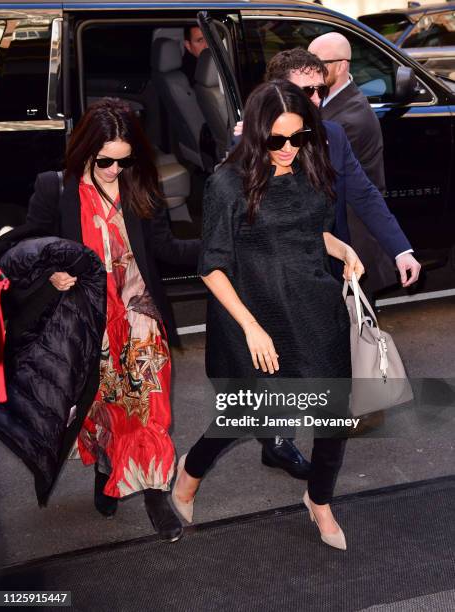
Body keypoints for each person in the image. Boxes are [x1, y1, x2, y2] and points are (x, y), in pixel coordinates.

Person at [171, 80, 366, 551]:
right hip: (258, 316)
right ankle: (190, 470)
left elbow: (312, 231)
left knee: (332, 417)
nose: (287, 149)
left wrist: (343, 249)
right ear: (256, 136)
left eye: (298, 138)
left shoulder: (311, 168)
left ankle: (319, 500)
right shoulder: (226, 184)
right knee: (245, 414)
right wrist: (252, 328)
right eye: (276, 140)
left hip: (316, 309)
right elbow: (211, 267)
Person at [232, 48, 421, 476]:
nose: (316, 98)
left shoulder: (333, 135)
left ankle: (317, 462)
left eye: (321, 89)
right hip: (273, 272)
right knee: (276, 359)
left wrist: (401, 248)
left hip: (324, 270)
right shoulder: (254, 140)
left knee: (322, 359)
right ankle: (276, 440)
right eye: (306, 91)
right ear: (277, 92)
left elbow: (365, 194)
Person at [25, 98, 200, 542]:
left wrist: (219, 245)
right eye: (105, 160)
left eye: (124, 161)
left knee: (150, 409)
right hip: (88, 321)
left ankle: (156, 493)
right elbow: (33, 248)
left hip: (140, 315)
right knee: (105, 409)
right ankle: (107, 467)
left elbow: (165, 248)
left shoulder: (140, 184)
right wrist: (52, 273)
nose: (115, 170)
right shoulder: (55, 189)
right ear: (84, 149)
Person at [308, 33, 398, 293]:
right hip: (339, 234)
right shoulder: (324, 99)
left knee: (357, 325)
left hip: (353, 235)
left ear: (342, 65)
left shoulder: (351, 118)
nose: (311, 68)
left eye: (318, 62)